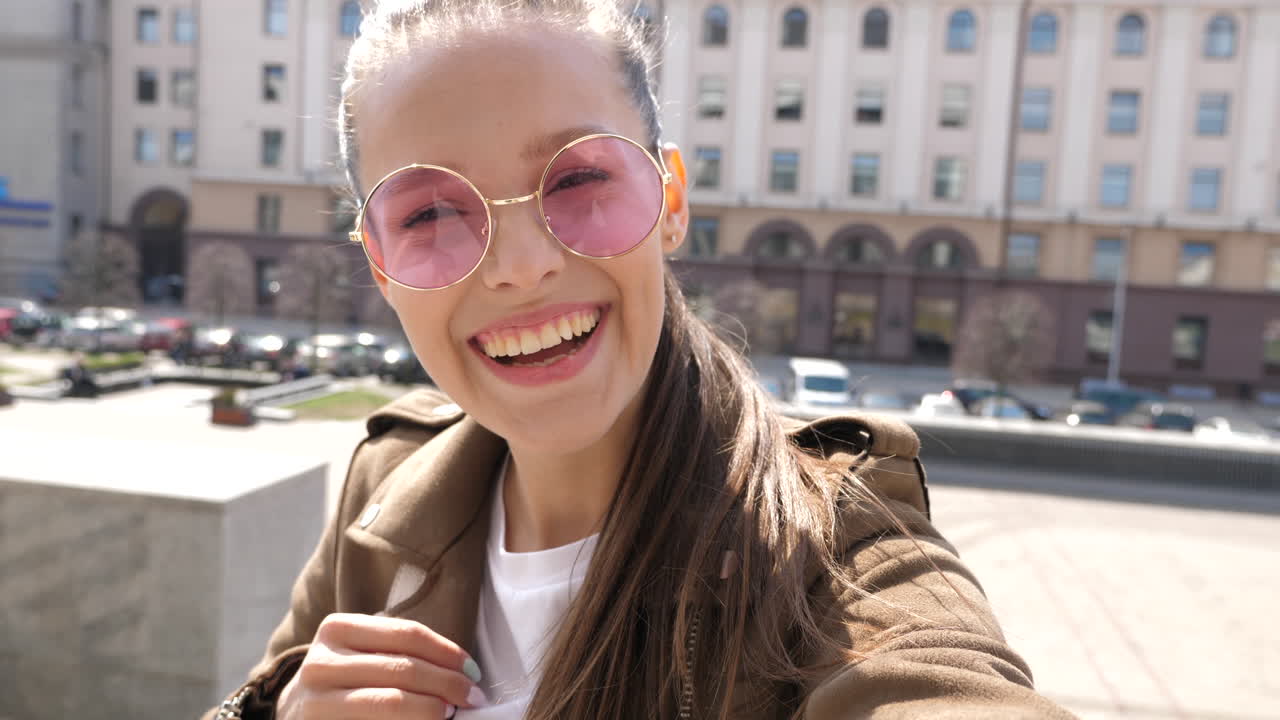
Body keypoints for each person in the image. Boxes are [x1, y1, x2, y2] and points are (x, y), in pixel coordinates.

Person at [206, 2, 1076, 718]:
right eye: (429, 215)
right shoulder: (386, 491)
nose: (519, 265)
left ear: (668, 201)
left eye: (580, 181)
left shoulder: (839, 549)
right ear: (380, 267)